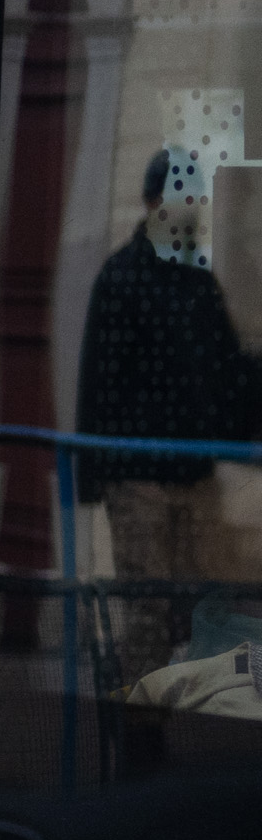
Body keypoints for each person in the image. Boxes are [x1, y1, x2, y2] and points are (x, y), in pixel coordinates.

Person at [76, 145, 262, 673]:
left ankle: (147, 708)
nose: (190, 206)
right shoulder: (127, 279)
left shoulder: (194, 284)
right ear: (154, 201)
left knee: (193, 605)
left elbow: (225, 371)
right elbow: (101, 382)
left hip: (184, 472)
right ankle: (139, 728)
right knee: (149, 610)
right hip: (140, 480)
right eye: (180, 195)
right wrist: (97, 477)